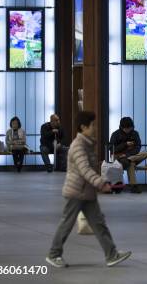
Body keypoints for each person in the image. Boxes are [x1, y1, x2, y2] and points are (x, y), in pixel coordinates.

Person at [46, 111, 131, 268]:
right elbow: (84, 170)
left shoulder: (88, 143)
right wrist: (101, 183)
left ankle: (111, 255)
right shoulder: (78, 146)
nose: (95, 128)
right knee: (67, 223)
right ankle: (54, 254)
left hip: (87, 193)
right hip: (76, 192)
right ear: (83, 127)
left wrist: (97, 184)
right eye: (92, 125)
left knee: (99, 224)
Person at [110, 117, 147, 194]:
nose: (128, 130)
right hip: (119, 159)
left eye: (129, 128)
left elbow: (138, 148)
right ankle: (134, 186)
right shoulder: (115, 134)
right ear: (121, 127)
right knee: (130, 164)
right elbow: (112, 149)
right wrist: (125, 144)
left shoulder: (135, 134)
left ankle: (129, 159)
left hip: (131, 157)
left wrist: (127, 155)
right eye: (126, 129)